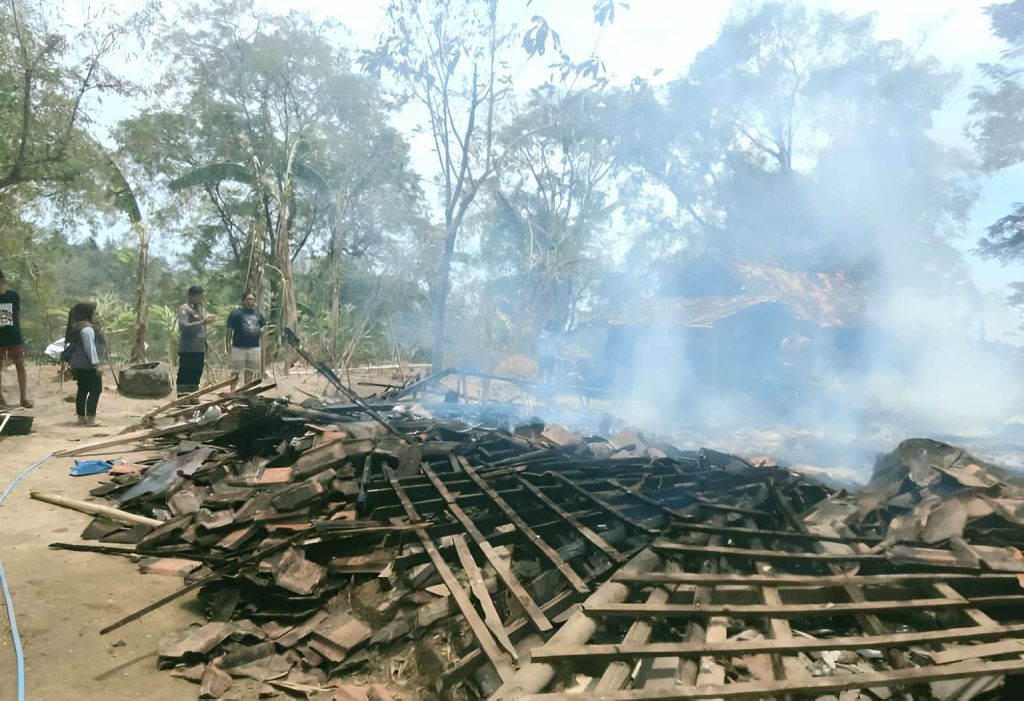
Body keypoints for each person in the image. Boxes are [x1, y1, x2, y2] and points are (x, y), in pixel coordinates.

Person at [65, 302, 104, 426]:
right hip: (87, 365)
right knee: (95, 390)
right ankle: (91, 419)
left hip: (77, 364)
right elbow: (89, 348)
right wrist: (96, 364)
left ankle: (81, 418)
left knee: (82, 390)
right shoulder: (87, 329)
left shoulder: (77, 327)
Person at [0, 270, 33, 408]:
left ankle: (23, 398)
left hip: (13, 335)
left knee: (20, 365)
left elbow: (15, 314)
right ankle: (0, 399)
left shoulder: (13, 296)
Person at [177, 285, 214, 397]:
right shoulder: (185, 309)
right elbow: (184, 326)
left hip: (199, 349)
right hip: (188, 349)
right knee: (186, 374)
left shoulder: (199, 309)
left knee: (196, 373)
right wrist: (202, 321)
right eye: (199, 296)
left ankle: (193, 397)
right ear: (191, 296)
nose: (201, 299)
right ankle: (182, 399)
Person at [226, 291, 266, 389]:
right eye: (248, 299)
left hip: (254, 347)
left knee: (250, 371)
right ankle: (232, 392)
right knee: (235, 371)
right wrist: (228, 345)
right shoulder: (236, 313)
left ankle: (246, 392)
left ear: (254, 301)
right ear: (243, 301)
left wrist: (260, 331)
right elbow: (229, 330)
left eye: (251, 299)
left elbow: (264, 326)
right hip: (238, 346)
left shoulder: (257, 314)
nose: (249, 301)